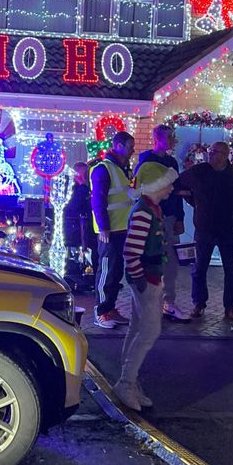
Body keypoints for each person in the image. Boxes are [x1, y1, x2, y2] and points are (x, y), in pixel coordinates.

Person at [114, 161, 180, 411]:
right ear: (156, 185)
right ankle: (127, 381)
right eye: (168, 184)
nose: (171, 189)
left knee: (137, 327)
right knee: (150, 331)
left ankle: (128, 378)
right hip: (147, 279)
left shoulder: (150, 209)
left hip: (147, 277)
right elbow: (131, 251)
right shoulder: (145, 211)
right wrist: (141, 279)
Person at [178, 141, 233, 321]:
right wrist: (195, 202)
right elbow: (178, 184)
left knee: (230, 269)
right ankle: (199, 303)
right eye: (210, 151)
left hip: (227, 229)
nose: (211, 154)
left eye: (215, 152)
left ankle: (230, 307)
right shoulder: (199, 171)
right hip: (204, 228)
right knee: (199, 267)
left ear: (225, 155)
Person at [135, 124, 192, 322]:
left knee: (170, 262)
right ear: (157, 139)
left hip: (168, 218)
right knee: (150, 260)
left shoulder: (172, 162)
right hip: (152, 219)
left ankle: (169, 302)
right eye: (170, 138)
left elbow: (176, 192)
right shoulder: (146, 161)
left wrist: (180, 218)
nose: (173, 141)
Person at [91, 131, 135, 329]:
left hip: (121, 229)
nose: (132, 150)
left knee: (116, 272)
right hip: (109, 231)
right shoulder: (103, 169)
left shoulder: (120, 169)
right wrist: (103, 228)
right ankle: (100, 312)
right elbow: (97, 201)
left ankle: (110, 308)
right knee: (106, 271)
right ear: (118, 146)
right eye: (129, 146)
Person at [62, 162, 95, 291]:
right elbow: (75, 206)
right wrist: (83, 188)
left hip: (85, 226)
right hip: (75, 226)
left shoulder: (87, 186)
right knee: (76, 253)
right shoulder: (73, 188)